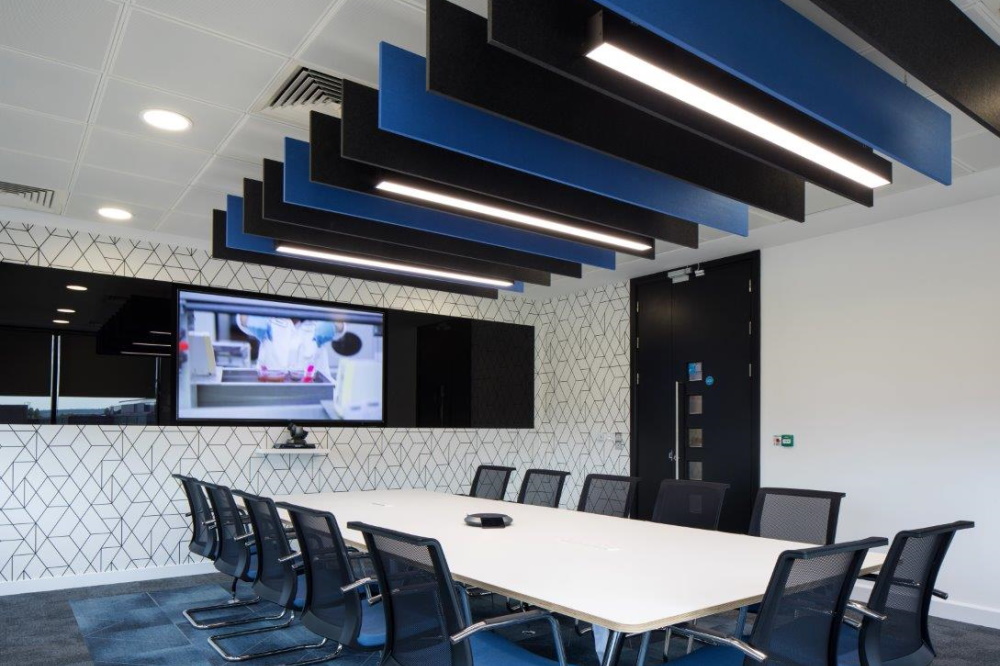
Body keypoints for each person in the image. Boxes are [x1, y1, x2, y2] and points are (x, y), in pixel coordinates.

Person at [236, 315, 344, 381]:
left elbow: (341, 325)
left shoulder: (318, 321)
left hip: (315, 390)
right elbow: (242, 318)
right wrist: (253, 317)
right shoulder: (270, 318)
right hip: (270, 387)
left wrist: (331, 324)